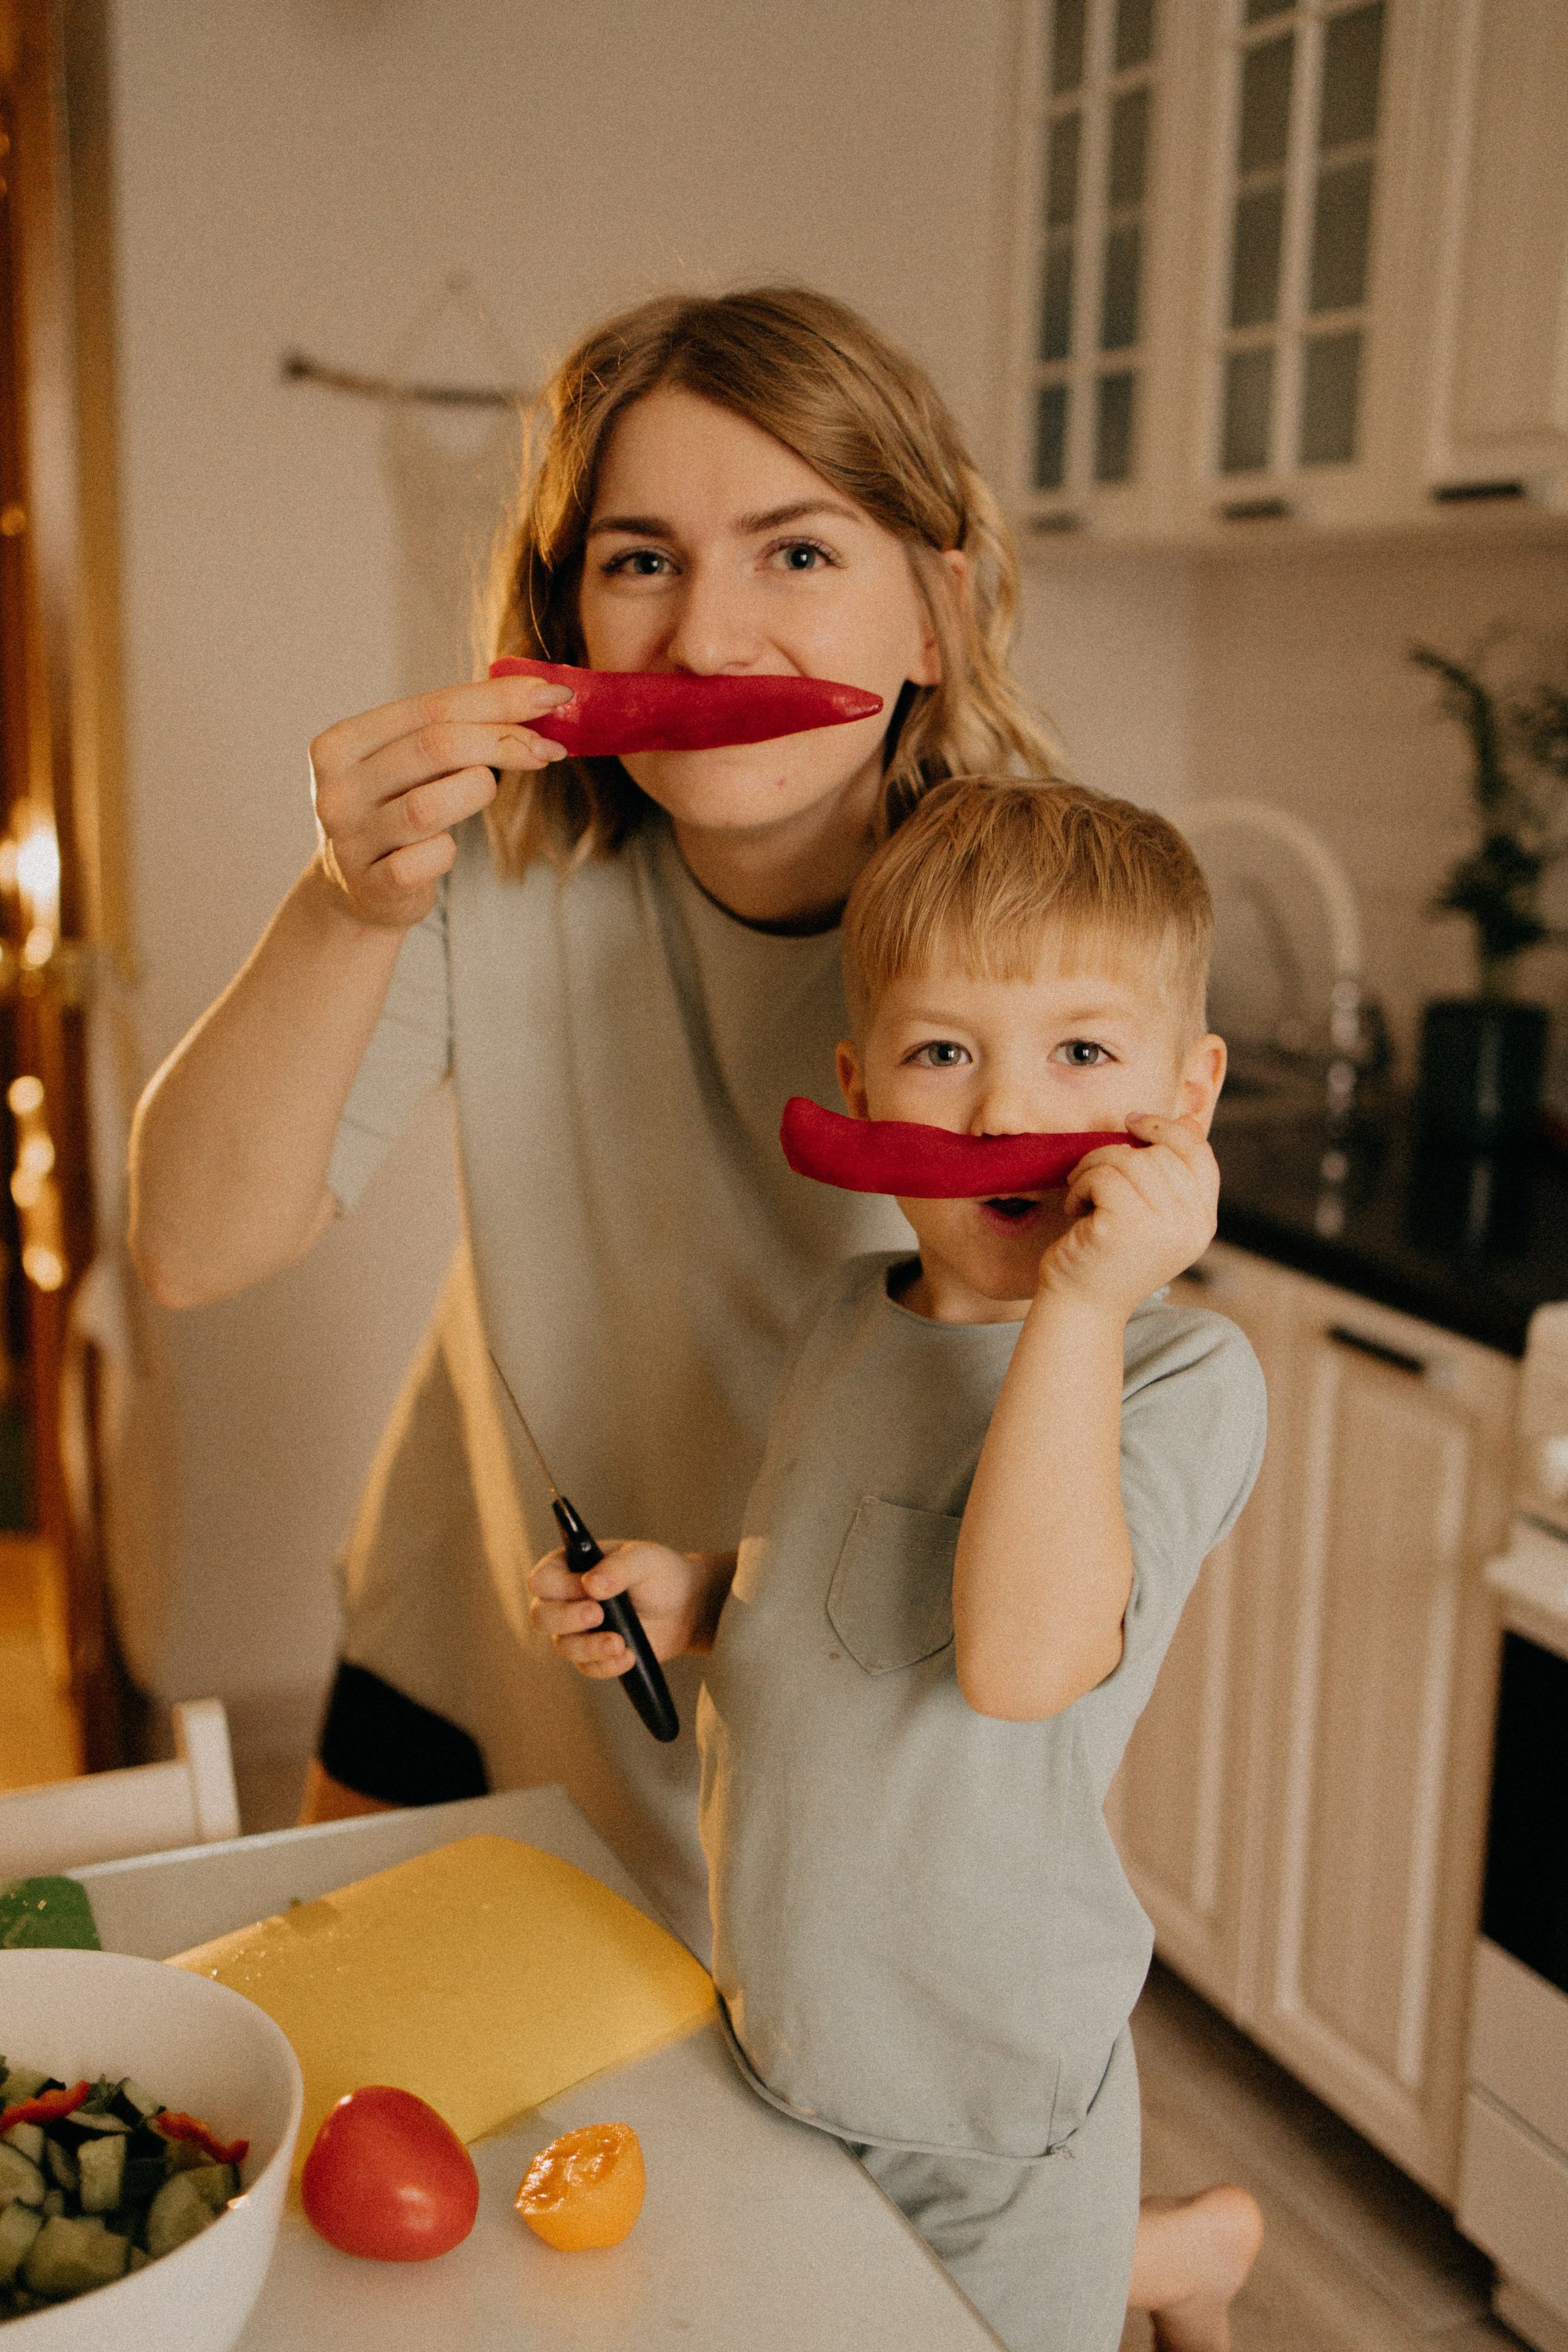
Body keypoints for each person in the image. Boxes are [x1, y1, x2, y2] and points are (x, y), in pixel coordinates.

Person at [129, 287, 1259, 2343]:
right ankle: (1159, 2254)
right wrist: (348, 905)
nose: (712, 634)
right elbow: (192, 1244)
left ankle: (1133, 2251)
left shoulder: (1032, 951)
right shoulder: (506, 876)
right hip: (493, 1628)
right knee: (368, 2208)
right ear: (563, 614)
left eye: (798, 551)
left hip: (821, 1713)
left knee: (749, 2255)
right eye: (638, 559)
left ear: (941, 604)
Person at [530, 777, 1268, 2352]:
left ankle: (1146, 2255)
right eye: (944, 1053)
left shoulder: (1176, 1373)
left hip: (984, 2080)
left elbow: (1016, 1661)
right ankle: (1175, 2255)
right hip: (787, 2015)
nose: (1001, 1116)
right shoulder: (844, 1320)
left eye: (1080, 1054)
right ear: (858, 1083)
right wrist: (700, 1594)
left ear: (1186, 1092)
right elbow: (840, 1586)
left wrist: (1080, 1304)